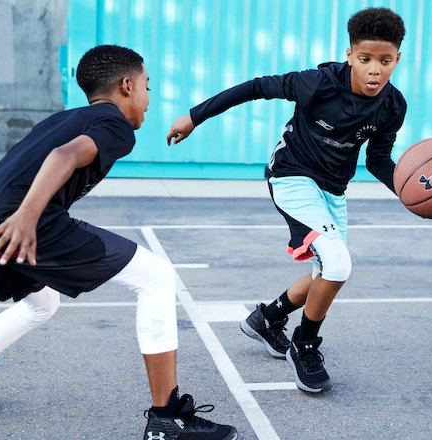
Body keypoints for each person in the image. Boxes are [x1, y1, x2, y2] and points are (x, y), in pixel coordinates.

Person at [0, 45, 237, 440]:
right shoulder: (113, 124)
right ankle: (167, 419)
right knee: (156, 278)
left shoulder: (65, 118)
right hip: (19, 218)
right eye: (148, 86)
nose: (150, 99)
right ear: (127, 86)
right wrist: (29, 216)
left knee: (38, 304)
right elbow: (65, 156)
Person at [167, 7, 406, 394]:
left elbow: (378, 160)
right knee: (339, 263)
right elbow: (254, 87)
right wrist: (194, 117)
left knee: (324, 274)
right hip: (292, 177)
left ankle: (268, 318)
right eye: (365, 60)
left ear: (398, 59)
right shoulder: (318, 84)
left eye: (385, 61)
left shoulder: (393, 106)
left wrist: (410, 194)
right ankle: (304, 344)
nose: (374, 70)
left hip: (332, 191)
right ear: (350, 55)